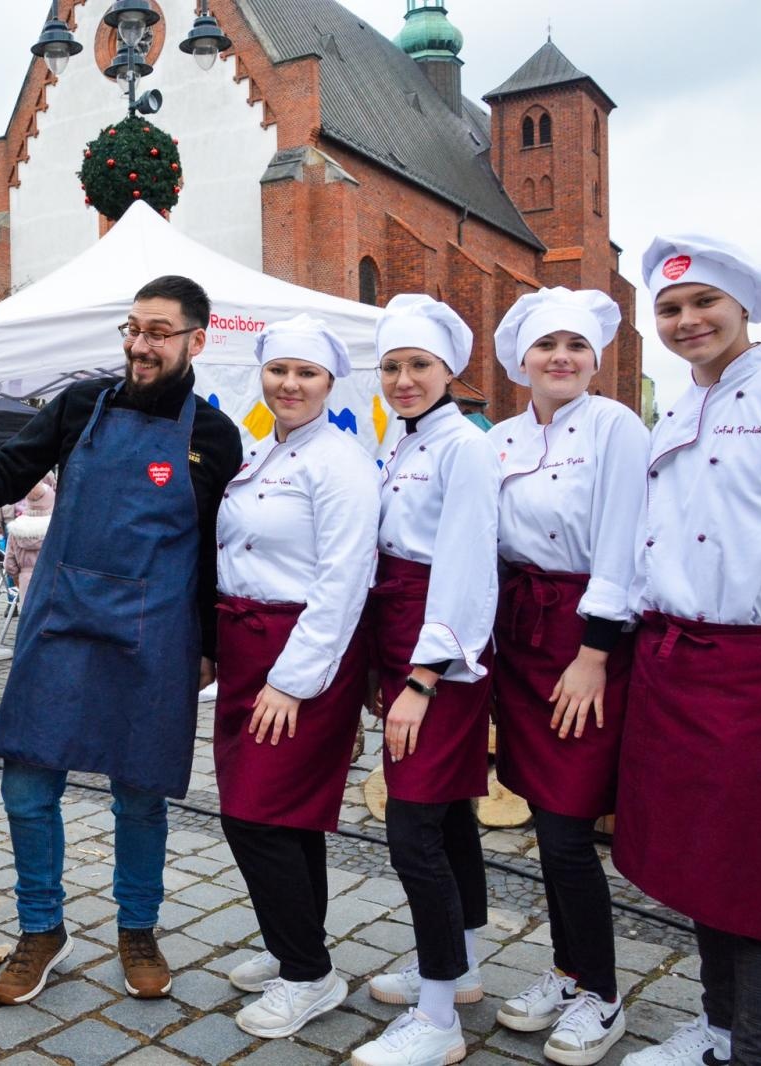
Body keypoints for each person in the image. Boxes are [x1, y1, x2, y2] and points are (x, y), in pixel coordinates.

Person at [0, 275, 241, 1006]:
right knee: (27, 786)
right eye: (133, 329)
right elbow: (4, 470)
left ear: (195, 342)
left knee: (141, 795)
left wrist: (209, 645)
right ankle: (41, 928)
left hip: (155, 634)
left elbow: (216, 550)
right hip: (62, 618)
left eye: (157, 332)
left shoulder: (214, 438)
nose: (140, 345)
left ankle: (138, 927)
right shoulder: (81, 405)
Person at [614, 236, 761, 1066]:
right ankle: (718, 1031)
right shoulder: (675, 410)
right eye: (671, 309)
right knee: (705, 865)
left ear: (743, 307)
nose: (687, 321)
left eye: (703, 303)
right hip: (679, 665)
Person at [487, 288, 648, 1064]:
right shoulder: (502, 439)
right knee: (545, 814)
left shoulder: (617, 426)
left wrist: (595, 653)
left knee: (566, 824)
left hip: (586, 641)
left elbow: (625, 540)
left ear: (594, 359)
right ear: (521, 360)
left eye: (576, 347)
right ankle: (565, 969)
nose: (562, 358)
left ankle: (603, 995)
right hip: (520, 636)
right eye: (547, 346)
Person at [211, 315, 377, 1038]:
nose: (290, 384)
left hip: (301, 653)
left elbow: (345, 580)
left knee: (256, 815)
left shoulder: (340, 461)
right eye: (280, 370)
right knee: (285, 817)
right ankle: (295, 950)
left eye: (306, 373)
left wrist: (292, 680)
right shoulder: (263, 452)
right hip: (250, 648)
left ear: (330, 383)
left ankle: (309, 975)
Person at [351, 294, 500, 1066]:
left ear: (449, 371)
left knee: (413, 829)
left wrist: (423, 676)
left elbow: (469, 565)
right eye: (392, 367)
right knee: (445, 821)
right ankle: (462, 965)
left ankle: (438, 1016)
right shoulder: (405, 442)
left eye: (418, 366)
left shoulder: (464, 446)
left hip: (440, 653)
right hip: (404, 637)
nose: (404, 379)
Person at [3, 477, 55, 607]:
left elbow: (9, 563)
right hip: (52, 580)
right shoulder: (57, 527)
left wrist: (17, 579)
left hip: (25, 582)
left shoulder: (16, 528)